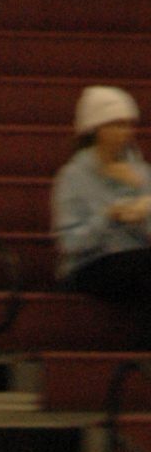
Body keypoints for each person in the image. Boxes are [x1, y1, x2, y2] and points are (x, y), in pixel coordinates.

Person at [52, 87, 151, 319]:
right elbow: (70, 244)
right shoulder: (73, 177)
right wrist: (109, 217)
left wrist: (141, 211)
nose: (125, 132)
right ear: (96, 129)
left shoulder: (141, 173)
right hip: (90, 264)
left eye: (127, 125)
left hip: (136, 258)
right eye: (116, 125)